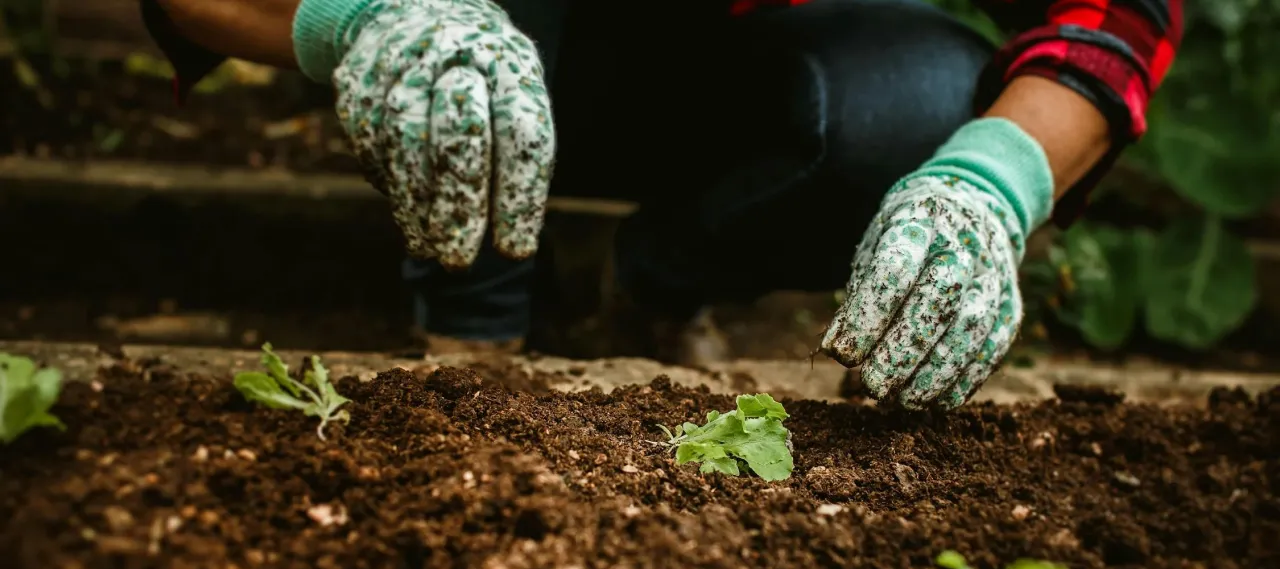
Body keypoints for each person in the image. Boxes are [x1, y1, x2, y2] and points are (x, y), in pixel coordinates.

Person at [139, 0, 1181, 409]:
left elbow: (1110, 18)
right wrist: (359, 16)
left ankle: (645, 282)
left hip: (761, 67)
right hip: (495, 37)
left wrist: (993, 180)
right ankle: (466, 321)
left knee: (917, 103)